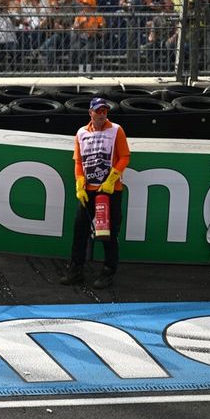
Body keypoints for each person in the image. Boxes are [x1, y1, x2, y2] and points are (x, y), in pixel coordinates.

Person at [59, 97, 130, 289]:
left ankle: (108, 271)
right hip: (88, 191)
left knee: (108, 233)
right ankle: (76, 269)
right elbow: (78, 161)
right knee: (79, 230)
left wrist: (111, 179)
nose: (102, 114)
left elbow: (125, 157)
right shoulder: (81, 133)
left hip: (109, 192)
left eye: (104, 111)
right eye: (98, 111)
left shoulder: (116, 130)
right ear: (90, 113)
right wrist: (79, 184)